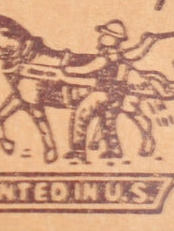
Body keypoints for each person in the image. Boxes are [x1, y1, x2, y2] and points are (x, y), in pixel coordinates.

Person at [63, 19, 158, 160]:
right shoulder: (119, 56)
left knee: (82, 114)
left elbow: (87, 69)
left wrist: (67, 69)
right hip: (115, 95)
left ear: (113, 39)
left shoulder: (107, 57)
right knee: (108, 122)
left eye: (106, 34)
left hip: (101, 93)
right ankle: (114, 150)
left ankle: (78, 150)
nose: (101, 37)